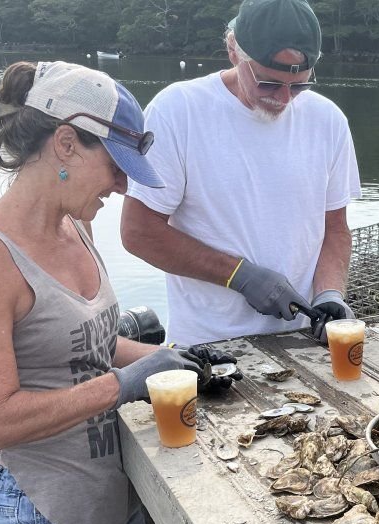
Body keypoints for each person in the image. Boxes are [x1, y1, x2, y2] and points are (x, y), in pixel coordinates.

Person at [0, 61, 212, 524]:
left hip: (110, 489)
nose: (124, 186)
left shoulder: (77, 227)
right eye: (116, 166)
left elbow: (90, 346)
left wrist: (170, 360)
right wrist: (122, 386)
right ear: (65, 144)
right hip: (36, 508)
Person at [121, 0, 361, 347]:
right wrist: (239, 275)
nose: (283, 97)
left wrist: (330, 293)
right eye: (268, 83)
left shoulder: (329, 121)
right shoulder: (179, 110)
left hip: (302, 341)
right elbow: (138, 232)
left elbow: (335, 228)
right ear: (234, 50)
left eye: (298, 86)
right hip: (210, 344)